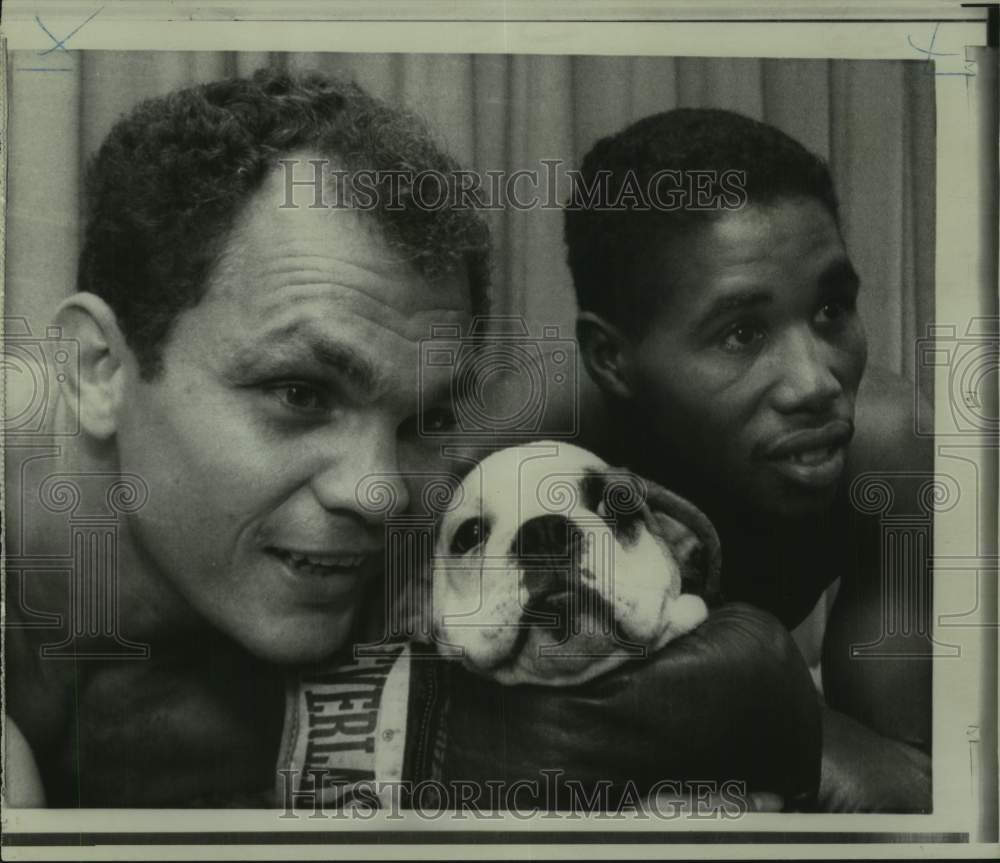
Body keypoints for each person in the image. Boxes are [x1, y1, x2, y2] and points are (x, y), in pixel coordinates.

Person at [4, 71, 823, 810]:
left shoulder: (438, 503)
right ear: (100, 368)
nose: (378, 491)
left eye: (424, 419)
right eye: (300, 392)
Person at [565, 108, 933, 812]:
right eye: (741, 331)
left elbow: (902, 767)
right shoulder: (535, 447)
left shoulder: (885, 449)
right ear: (612, 359)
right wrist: (781, 718)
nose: (816, 381)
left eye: (830, 311)